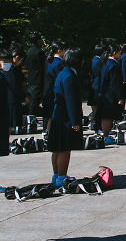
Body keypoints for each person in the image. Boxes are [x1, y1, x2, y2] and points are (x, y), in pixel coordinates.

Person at [48, 48, 83, 186]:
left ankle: (56, 175)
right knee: (64, 148)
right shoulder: (69, 76)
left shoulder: (62, 73)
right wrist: (75, 120)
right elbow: (71, 100)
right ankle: (62, 176)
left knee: (57, 148)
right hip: (65, 117)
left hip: (58, 114)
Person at [98, 43, 124, 143]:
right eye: (119, 52)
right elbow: (115, 83)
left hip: (103, 93)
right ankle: (106, 135)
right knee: (107, 116)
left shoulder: (104, 62)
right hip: (110, 95)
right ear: (114, 53)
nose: (120, 54)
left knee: (105, 115)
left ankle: (105, 133)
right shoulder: (113, 65)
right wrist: (120, 97)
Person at [25, 33, 45, 118]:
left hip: (31, 78)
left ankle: (30, 117)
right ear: (38, 40)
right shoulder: (39, 52)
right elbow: (42, 66)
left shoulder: (29, 51)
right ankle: (31, 118)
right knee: (35, 100)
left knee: (32, 100)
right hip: (37, 79)